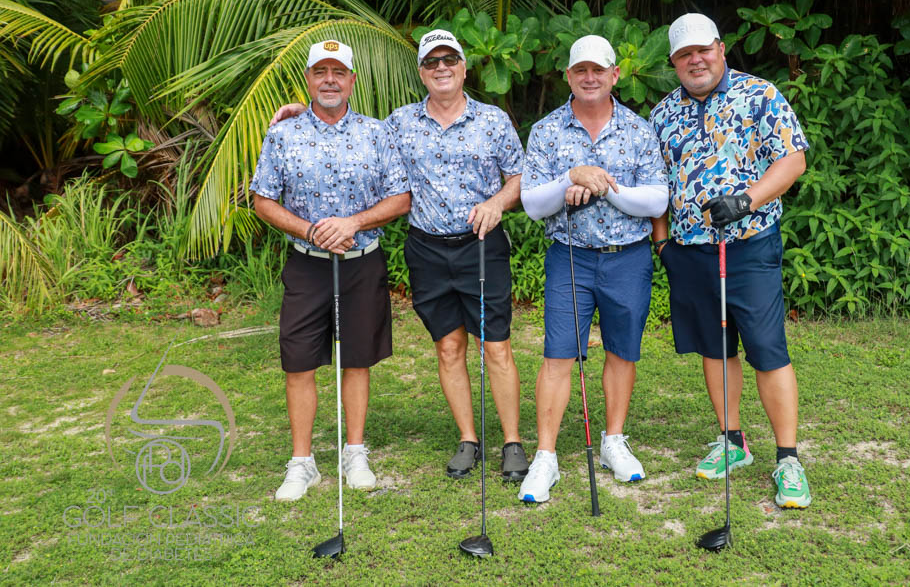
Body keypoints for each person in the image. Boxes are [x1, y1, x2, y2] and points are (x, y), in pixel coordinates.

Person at [270, 30, 530, 482]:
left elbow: (521, 177)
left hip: (481, 245)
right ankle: (468, 439)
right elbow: (340, 128)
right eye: (431, 62)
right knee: (448, 347)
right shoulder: (398, 124)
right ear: (421, 72)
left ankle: (512, 442)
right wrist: (300, 113)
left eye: (450, 59)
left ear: (464, 67)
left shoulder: (493, 120)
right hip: (427, 249)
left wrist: (497, 202)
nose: (441, 68)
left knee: (496, 346)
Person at [649, 13, 812, 509]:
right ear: (674, 62)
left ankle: (788, 458)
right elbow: (656, 186)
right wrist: (662, 243)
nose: (695, 60)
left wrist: (747, 200)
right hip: (690, 251)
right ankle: (732, 440)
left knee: (767, 348)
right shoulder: (661, 114)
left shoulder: (760, 95)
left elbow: (793, 159)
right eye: (685, 55)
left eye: (703, 50)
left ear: (720, 49)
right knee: (715, 348)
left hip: (750, 244)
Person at [251, 39, 410, 501]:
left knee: (356, 359)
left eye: (338, 72)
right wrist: (312, 231)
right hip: (308, 265)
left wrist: (352, 224)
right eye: (320, 71)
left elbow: (400, 198)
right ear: (308, 79)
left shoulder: (377, 133)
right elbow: (263, 200)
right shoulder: (283, 135)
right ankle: (302, 462)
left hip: (362, 263)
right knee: (299, 361)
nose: (329, 80)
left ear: (352, 81)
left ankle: (354, 451)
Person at [518, 35, 668, 503]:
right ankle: (545, 456)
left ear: (614, 75)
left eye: (598, 70)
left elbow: (657, 199)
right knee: (559, 354)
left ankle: (613, 441)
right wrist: (569, 177)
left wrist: (604, 186)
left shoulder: (639, 129)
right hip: (571, 256)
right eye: (580, 70)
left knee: (622, 351)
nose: (589, 77)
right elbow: (532, 204)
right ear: (568, 76)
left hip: (628, 257)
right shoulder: (546, 131)